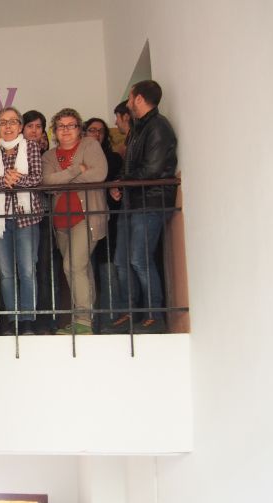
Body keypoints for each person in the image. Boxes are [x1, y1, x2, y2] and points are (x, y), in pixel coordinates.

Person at [106, 80, 178, 334]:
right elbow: (133, 168)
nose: (127, 103)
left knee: (139, 259)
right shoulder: (139, 128)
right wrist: (120, 184)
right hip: (133, 202)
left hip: (151, 202)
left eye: (130, 97)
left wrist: (123, 182)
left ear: (138, 99)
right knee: (121, 261)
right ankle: (130, 313)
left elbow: (152, 170)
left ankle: (153, 315)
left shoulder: (159, 127)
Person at [42, 108, 108, 335]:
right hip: (61, 220)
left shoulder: (89, 145)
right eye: (61, 126)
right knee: (82, 267)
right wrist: (75, 171)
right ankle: (88, 320)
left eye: (71, 125)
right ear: (55, 131)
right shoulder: (49, 156)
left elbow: (99, 174)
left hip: (86, 216)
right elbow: (47, 181)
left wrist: (64, 179)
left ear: (79, 129)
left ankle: (82, 320)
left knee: (73, 265)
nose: (67, 130)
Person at [0, 106, 43, 336]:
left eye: (12, 122)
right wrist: (8, 180)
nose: (8, 126)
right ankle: (14, 319)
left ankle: (28, 320)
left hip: (26, 218)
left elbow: (37, 178)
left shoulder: (32, 147)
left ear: (19, 126)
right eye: (3, 122)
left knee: (27, 270)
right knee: (6, 274)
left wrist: (13, 180)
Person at [84, 117, 125, 328]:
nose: (96, 134)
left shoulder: (113, 158)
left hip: (108, 221)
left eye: (100, 131)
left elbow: (107, 179)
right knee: (85, 272)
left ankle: (110, 321)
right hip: (82, 221)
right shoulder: (78, 159)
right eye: (92, 130)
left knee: (107, 269)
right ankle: (89, 322)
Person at [23, 109, 60, 334]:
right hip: (23, 219)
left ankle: (47, 320)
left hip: (45, 218)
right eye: (30, 126)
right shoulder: (13, 154)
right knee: (27, 270)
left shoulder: (48, 155)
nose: (35, 131)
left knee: (45, 269)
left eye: (39, 127)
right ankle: (27, 319)